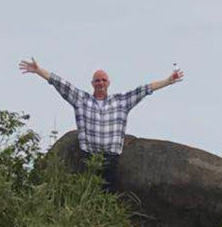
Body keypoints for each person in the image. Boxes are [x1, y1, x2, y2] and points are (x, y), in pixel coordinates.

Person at [18, 57, 184, 192]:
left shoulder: (121, 101)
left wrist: (168, 81)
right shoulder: (82, 100)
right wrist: (38, 71)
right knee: (87, 191)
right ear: (92, 83)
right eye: (97, 80)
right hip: (89, 157)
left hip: (111, 158)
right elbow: (61, 84)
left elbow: (144, 90)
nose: (100, 83)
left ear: (108, 83)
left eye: (103, 80)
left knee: (108, 193)